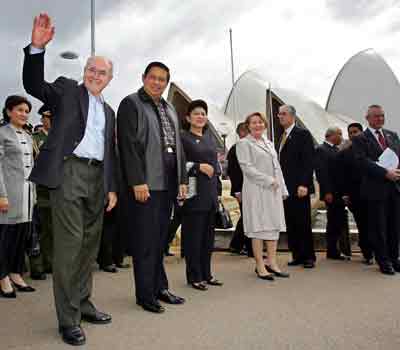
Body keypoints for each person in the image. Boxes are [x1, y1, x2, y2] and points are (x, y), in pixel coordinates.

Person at [23, 14, 118, 346]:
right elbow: (35, 86)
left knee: (89, 247)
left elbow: (111, 152)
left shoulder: (109, 112)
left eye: (101, 72)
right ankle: (68, 318)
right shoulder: (66, 91)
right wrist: (36, 48)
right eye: (91, 69)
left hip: (97, 177)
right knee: (69, 247)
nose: (95, 75)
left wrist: (111, 188)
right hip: (68, 172)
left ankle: (83, 302)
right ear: (84, 73)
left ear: (109, 78)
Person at [117, 61, 187, 314]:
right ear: (144, 77)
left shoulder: (169, 108)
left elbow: (178, 147)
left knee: (160, 240)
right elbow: (128, 145)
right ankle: (145, 294)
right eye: (153, 77)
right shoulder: (131, 103)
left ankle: (161, 287)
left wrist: (182, 180)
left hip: (168, 183)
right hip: (146, 184)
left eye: (162, 79)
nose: (157, 82)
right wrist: (137, 180)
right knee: (146, 241)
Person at [237, 112, 289, 280]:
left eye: (260, 122)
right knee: (258, 228)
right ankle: (260, 265)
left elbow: (277, 167)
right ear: (248, 126)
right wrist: (269, 181)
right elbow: (247, 168)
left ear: (265, 125)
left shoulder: (269, 143)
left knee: (273, 226)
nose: (258, 125)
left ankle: (272, 263)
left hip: (273, 191)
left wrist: (283, 189)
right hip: (256, 190)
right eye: (254, 122)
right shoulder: (244, 144)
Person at [352, 105, 400, 275]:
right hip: (375, 190)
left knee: (395, 227)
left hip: (394, 189)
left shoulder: (392, 135)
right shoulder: (359, 139)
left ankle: (395, 259)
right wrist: (385, 173)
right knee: (379, 228)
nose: (380, 118)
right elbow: (362, 162)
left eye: (382, 115)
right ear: (368, 118)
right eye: (377, 116)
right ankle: (383, 261)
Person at [180, 100, 223, 290]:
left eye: (203, 114)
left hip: (210, 195)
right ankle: (194, 276)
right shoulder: (183, 138)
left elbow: (216, 168)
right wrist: (198, 167)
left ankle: (207, 273)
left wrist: (218, 193)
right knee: (193, 238)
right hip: (193, 194)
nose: (200, 117)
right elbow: (176, 165)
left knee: (207, 239)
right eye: (196, 113)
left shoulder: (209, 139)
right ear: (188, 117)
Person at [0, 95, 36, 298]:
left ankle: (15, 272)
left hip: (27, 195)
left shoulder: (28, 136)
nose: (24, 114)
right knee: (5, 237)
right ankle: (2, 276)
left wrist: (34, 195)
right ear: (8, 112)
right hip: (8, 194)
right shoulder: (2, 134)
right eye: (20, 110)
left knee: (20, 237)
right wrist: (1, 195)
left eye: (26, 111)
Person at [278, 105, 316, 268]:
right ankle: (297, 255)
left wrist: (304, 184)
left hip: (299, 187)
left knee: (303, 222)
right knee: (291, 222)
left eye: (284, 114)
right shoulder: (282, 136)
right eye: (279, 114)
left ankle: (308, 257)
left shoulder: (302, 134)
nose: (280, 117)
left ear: (293, 116)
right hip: (286, 189)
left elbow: (308, 161)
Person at [336, 123, 374, 264]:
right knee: (363, 225)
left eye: (356, 132)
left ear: (361, 132)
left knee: (375, 224)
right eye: (350, 132)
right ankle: (368, 253)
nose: (353, 135)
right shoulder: (344, 154)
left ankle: (378, 251)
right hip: (356, 195)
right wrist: (345, 194)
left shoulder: (371, 148)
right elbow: (342, 176)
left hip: (373, 194)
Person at [315, 127, 349, 260]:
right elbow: (321, 173)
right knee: (334, 221)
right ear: (330, 135)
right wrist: (327, 191)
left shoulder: (336, 149)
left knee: (338, 220)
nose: (341, 136)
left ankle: (335, 250)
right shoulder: (321, 149)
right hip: (331, 193)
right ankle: (332, 251)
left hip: (339, 192)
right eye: (339, 134)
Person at [29, 104, 53, 280]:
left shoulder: (61, 136)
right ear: (42, 118)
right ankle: (39, 265)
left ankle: (52, 262)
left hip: (58, 187)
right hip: (41, 188)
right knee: (40, 228)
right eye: (47, 117)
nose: (50, 121)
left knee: (54, 228)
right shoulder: (34, 138)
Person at [227, 122, 253, 257]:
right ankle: (249, 248)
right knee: (248, 218)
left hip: (248, 189)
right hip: (242, 190)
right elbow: (233, 172)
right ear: (242, 132)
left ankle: (236, 245)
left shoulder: (245, 147)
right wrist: (238, 191)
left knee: (246, 217)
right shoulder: (236, 148)